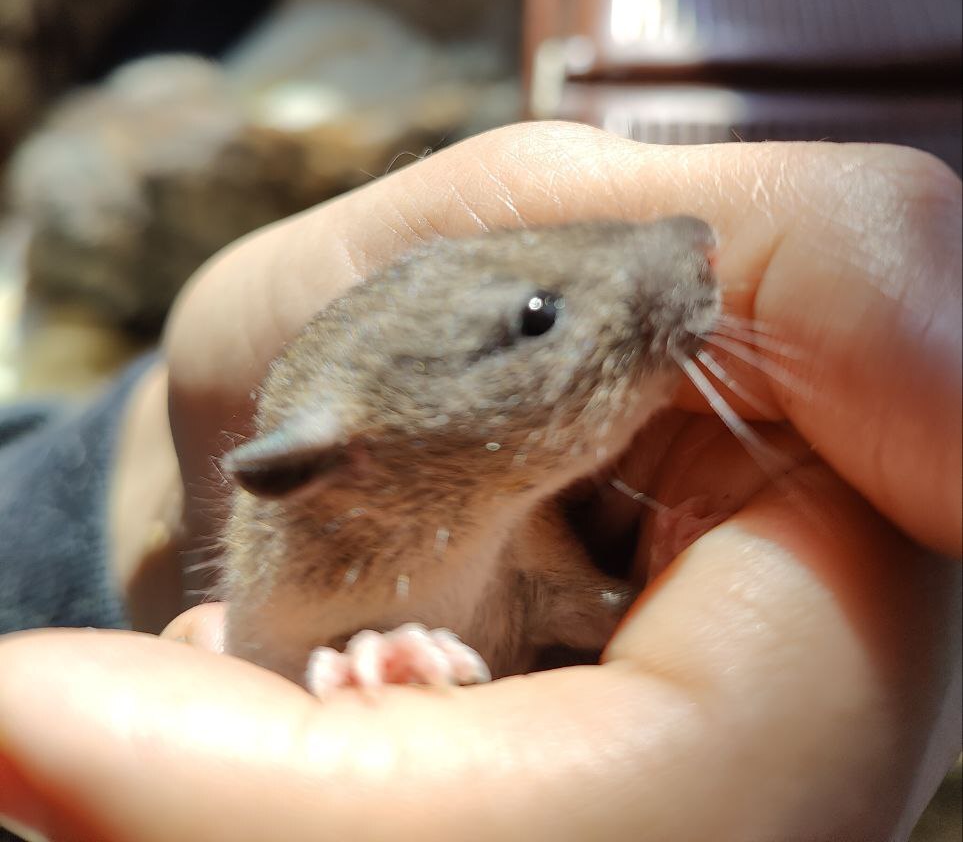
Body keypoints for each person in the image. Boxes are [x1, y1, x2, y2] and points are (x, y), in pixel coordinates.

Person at [0, 122, 960, 842]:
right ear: (355, 464)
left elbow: (576, 607)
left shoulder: (491, 512)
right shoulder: (314, 551)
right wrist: (347, 665)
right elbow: (264, 653)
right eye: (540, 316)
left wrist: (640, 590)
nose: (692, 246)